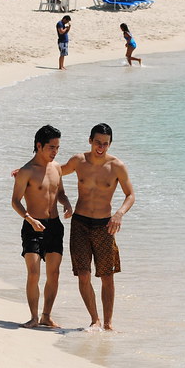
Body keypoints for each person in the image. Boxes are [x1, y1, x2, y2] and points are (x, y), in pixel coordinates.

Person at [57, 124, 135, 330]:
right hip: (80, 223)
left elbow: (131, 195)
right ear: (90, 140)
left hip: (104, 226)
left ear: (110, 144)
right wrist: (30, 169)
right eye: (98, 142)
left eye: (105, 144)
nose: (101, 147)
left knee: (107, 276)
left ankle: (108, 323)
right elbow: (54, 171)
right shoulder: (78, 161)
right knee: (83, 274)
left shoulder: (117, 166)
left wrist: (119, 214)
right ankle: (95, 319)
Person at [11, 125, 72, 328]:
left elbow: (60, 192)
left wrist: (67, 203)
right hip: (33, 226)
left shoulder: (57, 169)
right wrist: (30, 219)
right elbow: (15, 201)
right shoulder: (26, 171)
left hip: (54, 225)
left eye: (57, 147)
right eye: (51, 147)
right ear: (39, 146)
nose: (55, 152)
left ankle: (46, 315)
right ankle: (33, 317)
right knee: (34, 272)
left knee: (54, 273)